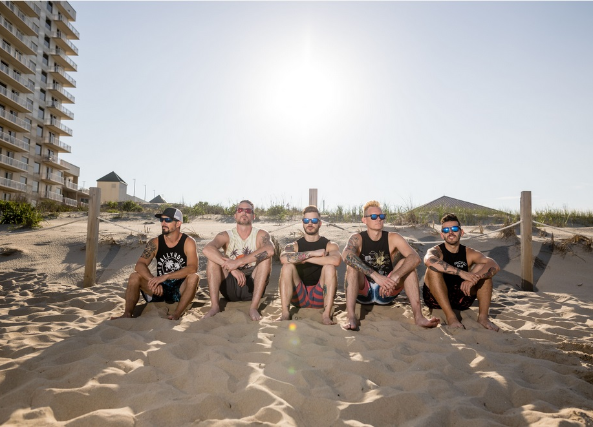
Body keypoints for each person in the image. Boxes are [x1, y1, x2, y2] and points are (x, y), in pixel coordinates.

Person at [341, 201, 440, 331]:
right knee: (352, 266)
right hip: (363, 292)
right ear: (364, 220)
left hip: (387, 290)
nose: (378, 219)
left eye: (381, 216)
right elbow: (346, 255)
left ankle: (419, 317)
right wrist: (375, 276)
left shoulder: (393, 238)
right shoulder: (357, 238)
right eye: (374, 216)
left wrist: (395, 276)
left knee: (408, 267)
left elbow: (415, 258)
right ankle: (351, 317)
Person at [111, 207, 199, 320]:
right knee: (134, 276)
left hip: (180, 288)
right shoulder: (155, 242)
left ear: (178, 223)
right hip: (159, 289)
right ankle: (127, 314)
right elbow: (140, 264)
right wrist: (152, 280)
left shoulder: (188, 242)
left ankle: (176, 314)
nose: (163, 223)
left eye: (168, 220)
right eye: (161, 220)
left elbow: (193, 268)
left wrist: (166, 276)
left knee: (194, 277)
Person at [423, 213, 500, 331]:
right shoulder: (437, 251)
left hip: (461, 297)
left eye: (454, 229)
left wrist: (474, 279)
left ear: (461, 232)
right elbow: (428, 260)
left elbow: (494, 265)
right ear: (442, 235)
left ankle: (483, 318)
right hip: (436, 299)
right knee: (432, 269)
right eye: (446, 230)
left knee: (485, 269)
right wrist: (461, 273)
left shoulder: (469, 252)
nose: (450, 232)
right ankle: (451, 317)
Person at [202, 200, 274, 321]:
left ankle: (253, 307)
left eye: (248, 210)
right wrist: (232, 269)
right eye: (240, 210)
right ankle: (214, 307)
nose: (244, 213)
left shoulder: (260, 234)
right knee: (212, 260)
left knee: (265, 259)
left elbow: (270, 250)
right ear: (235, 215)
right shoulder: (226, 235)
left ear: (253, 216)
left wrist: (238, 262)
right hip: (230, 286)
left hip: (252, 285)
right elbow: (207, 249)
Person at [278, 205, 341, 325]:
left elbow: (336, 260)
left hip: (320, 296)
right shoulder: (294, 245)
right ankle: (285, 313)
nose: (310, 223)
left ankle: (326, 315)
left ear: (320, 223)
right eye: (306, 220)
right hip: (299, 296)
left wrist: (305, 259)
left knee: (329, 267)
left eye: (314, 220)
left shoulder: (329, 245)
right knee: (287, 266)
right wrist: (312, 253)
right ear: (303, 223)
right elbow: (283, 258)